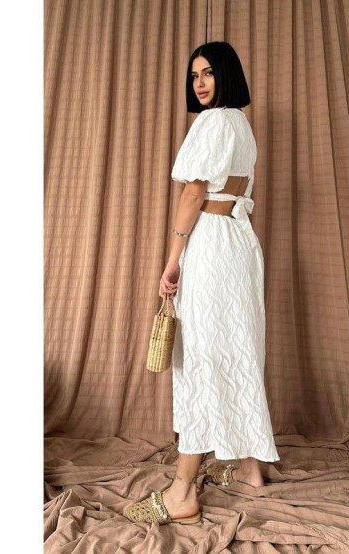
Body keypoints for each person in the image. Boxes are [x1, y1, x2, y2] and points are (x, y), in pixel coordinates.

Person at [123, 41, 280, 526]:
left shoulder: (212, 123)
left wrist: (173, 259)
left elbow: (194, 193)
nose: (200, 83)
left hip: (212, 243)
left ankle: (182, 491)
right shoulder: (241, 125)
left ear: (226, 74)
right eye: (195, 76)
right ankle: (251, 468)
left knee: (202, 354)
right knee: (237, 345)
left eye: (209, 73)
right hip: (240, 241)